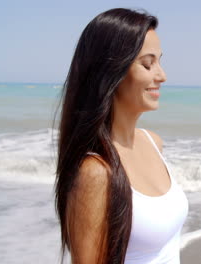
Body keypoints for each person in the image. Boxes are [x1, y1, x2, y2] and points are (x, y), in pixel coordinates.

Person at [54, 8, 189, 264]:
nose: (162, 75)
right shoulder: (95, 171)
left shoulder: (153, 143)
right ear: (110, 71)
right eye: (148, 64)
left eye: (160, 61)